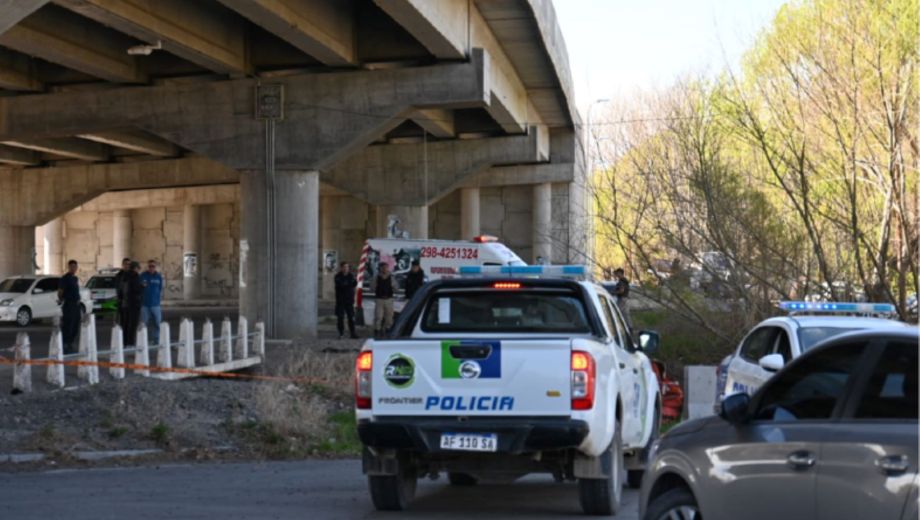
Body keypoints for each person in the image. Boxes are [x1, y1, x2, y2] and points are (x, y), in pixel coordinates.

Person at [57, 259, 82, 354]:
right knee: (68, 326)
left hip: (76, 305)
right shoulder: (65, 278)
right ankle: (65, 345)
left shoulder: (75, 278)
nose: (73, 268)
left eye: (75, 267)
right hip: (69, 305)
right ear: (69, 267)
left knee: (75, 326)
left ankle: (70, 343)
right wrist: (61, 299)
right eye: (72, 267)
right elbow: (60, 292)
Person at [371, 262, 398, 337]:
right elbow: (372, 288)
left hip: (389, 299)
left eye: (386, 267)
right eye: (383, 267)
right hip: (379, 299)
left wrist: (394, 287)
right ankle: (377, 330)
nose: (385, 269)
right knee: (378, 316)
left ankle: (387, 330)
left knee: (389, 316)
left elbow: (396, 288)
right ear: (380, 268)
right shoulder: (376, 277)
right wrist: (375, 286)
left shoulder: (391, 278)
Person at [140, 259, 164, 345]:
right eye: (150, 266)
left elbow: (160, 288)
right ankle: (142, 341)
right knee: (144, 324)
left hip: (156, 304)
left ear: (155, 267)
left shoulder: (158, 277)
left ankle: (156, 339)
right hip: (145, 305)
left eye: (153, 266)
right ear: (148, 267)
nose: (151, 268)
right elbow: (139, 288)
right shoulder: (143, 276)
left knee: (157, 323)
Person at [334, 262, 359, 340]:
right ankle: (341, 333)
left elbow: (354, 284)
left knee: (351, 317)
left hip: (349, 300)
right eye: (344, 267)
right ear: (341, 268)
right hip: (340, 300)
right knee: (340, 317)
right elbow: (340, 285)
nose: (346, 268)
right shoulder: (337, 276)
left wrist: (347, 284)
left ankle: (352, 333)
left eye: (347, 267)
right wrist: (348, 284)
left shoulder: (351, 276)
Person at [122, 261, 143, 346]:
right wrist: (142, 286)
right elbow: (136, 289)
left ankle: (125, 341)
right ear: (135, 268)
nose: (138, 270)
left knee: (126, 323)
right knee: (133, 323)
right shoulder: (135, 276)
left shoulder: (125, 276)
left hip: (125, 303)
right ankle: (131, 342)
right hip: (134, 303)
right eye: (138, 268)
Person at [114, 257, 131, 325]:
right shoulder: (119, 275)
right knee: (121, 321)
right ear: (123, 265)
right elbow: (118, 287)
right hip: (122, 301)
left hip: (130, 301)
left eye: (129, 264)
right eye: (126, 264)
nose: (127, 266)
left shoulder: (132, 275)